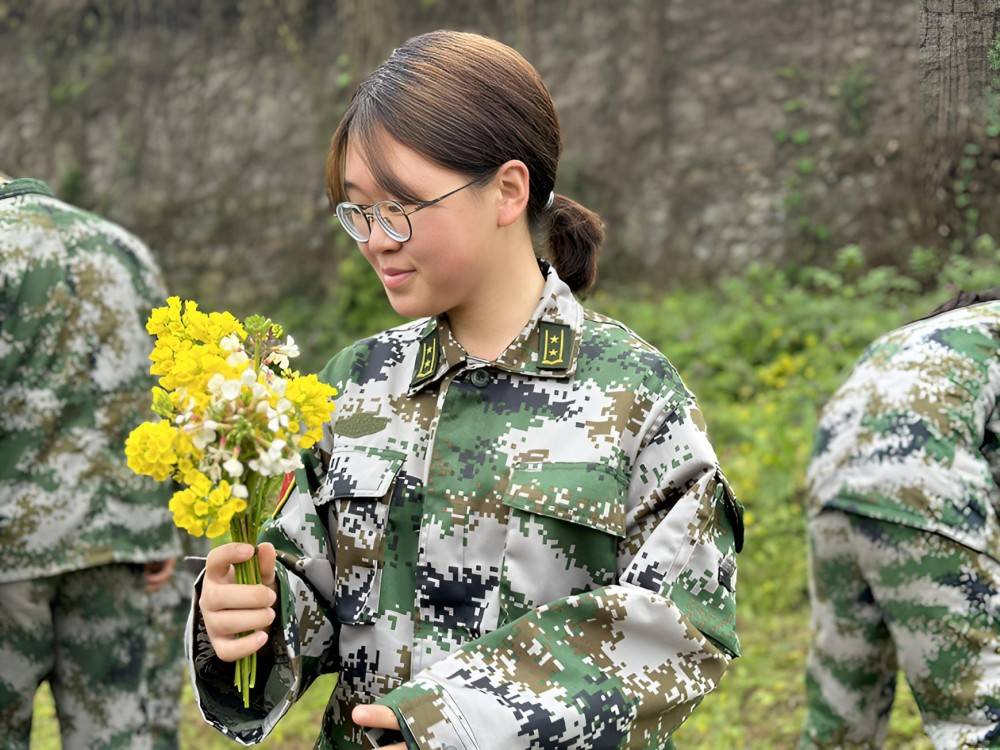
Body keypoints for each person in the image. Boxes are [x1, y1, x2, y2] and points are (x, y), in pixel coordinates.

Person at [187, 31, 744, 749]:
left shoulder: (632, 396)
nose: (376, 239)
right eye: (357, 210)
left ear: (508, 190)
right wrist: (246, 622)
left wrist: (454, 720)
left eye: (402, 207)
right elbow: (309, 594)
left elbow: (680, 627)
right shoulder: (352, 389)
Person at [0, 173, 183, 749]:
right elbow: (166, 393)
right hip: (121, 544)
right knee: (118, 736)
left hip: (10, 551)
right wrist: (160, 524)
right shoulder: (125, 247)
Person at [800, 290, 1000, 749]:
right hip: (923, 487)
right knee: (979, 716)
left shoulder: (906, 338)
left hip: (831, 494)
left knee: (843, 713)